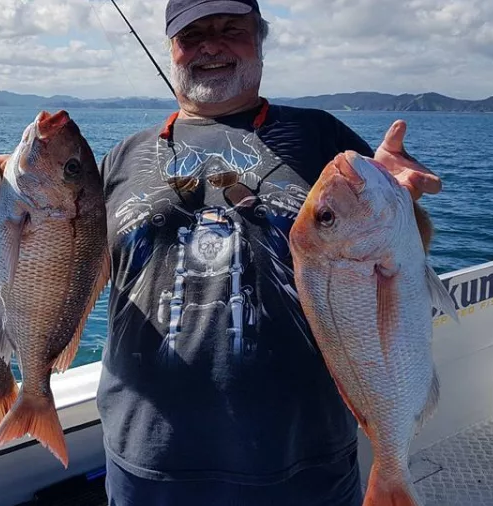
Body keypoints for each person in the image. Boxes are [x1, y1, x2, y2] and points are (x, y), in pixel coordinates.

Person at [95, 0, 443, 504]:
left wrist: (400, 199)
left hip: (303, 456)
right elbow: (73, 276)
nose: (211, 45)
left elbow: (408, 250)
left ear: (260, 39)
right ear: (172, 49)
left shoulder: (322, 136)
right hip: (146, 456)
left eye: (231, 29)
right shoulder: (121, 157)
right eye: (192, 35)